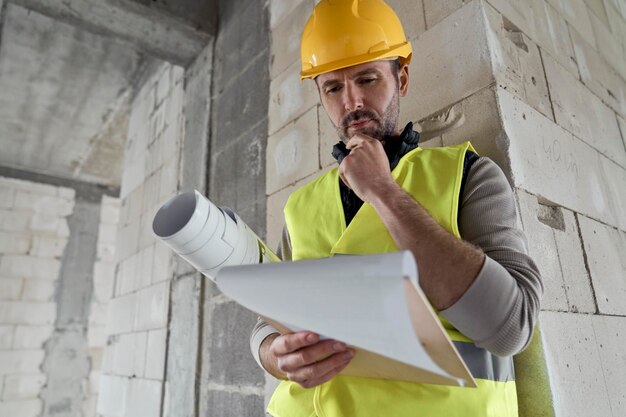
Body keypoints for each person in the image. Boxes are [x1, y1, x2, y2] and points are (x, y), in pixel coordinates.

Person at [250, 0, 543, 416]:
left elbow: (511, 327)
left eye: (367, 78)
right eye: (332, 87)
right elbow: (268, 319)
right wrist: (271, 354)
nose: (351, 102)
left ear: (401, 78)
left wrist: (384, 192)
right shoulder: (300, 206)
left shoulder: (467, 176)